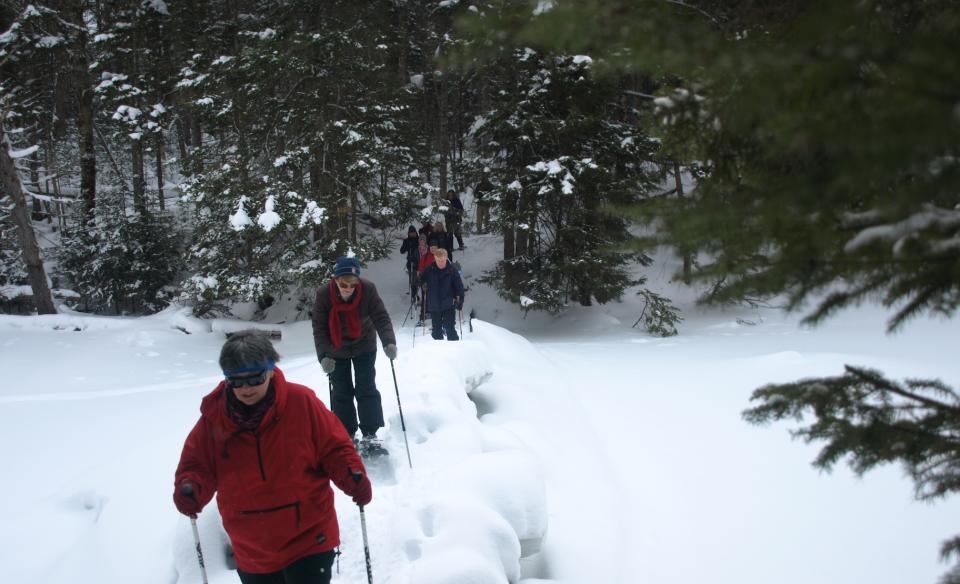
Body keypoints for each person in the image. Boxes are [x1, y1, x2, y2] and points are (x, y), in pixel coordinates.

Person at [173, 331, 372, 584]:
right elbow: (197, 465)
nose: (245, 388)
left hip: (309, 535)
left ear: (270, 370)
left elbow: (334, 447)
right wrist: (191, 488)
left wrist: (350, 473)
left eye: (254, 378)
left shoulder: (301, 403)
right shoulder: (214, 419)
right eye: (236, 381)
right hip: (252, 544)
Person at [312, 256, 397, 455]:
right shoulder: (324, 295)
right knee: (341, 392)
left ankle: (370, 433)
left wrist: (389, 341)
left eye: (353, 283)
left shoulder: (368, 290)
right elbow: (319, 327)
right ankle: (345, 434)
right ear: (335, 280)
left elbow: (381, 317)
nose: (348, 288)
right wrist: (324, 355)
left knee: (366, 387)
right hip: (336, 349)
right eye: (343, 283)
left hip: (364, 344)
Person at [419, 247, 465, 341]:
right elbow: (421, 279)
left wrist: (460, 300)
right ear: (435, 259)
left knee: (450, 329)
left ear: (446, 258)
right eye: (438, 260)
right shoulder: (429, 269)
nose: (440, 263)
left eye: (442, 260)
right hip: (434, 305)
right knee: (436, 332)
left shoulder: (452, 270)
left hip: (448, 304)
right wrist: (417, 280)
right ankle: (438, 353)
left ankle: (455, 351)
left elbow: (459, 287)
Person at [399, 225, 421, 299]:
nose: (412, 234)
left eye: (414, 232)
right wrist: (406, 246)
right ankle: (414, 296)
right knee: (413, 280)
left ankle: (423, 295)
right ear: (409, 233)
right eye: (411, 233)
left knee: (420, 279)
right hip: (411, 263)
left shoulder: (419, 240)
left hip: (419, 262)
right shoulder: (406, 241)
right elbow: (402, 251)